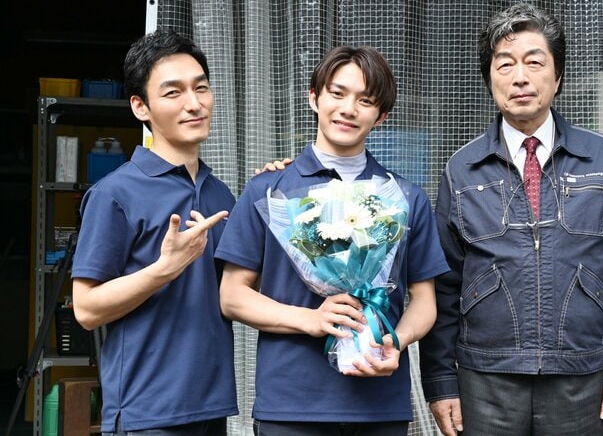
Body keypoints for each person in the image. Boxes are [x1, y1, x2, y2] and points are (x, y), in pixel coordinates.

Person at [419, 3, 603, 436]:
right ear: (490, 78)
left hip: (582, 375)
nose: (520, 77)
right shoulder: (461, 169)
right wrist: (440, 382)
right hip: (485, 380)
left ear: (557, 76)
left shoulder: (602, 159)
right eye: (505, 64)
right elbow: (442, 287)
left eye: (534, 62)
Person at [215, 45, 450, 435]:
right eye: (337, 93)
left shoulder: (405, 198)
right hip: (290, 405)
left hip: (380, 403)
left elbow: (424, 300)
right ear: (314, 97)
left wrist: (395, 340)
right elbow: (232, 296)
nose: (348, 109)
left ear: (381, 116)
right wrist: (312, 319)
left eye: (365, 100)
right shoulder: (269, 191)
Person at [71, 29, 238, 435]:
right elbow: (87, 310)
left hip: (211, 407)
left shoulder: (220, 194)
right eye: (173, 92)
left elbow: (237, 292)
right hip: (147, 413)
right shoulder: (115, 194)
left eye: (201, 88)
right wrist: (164, 269)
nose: (194, 103)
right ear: (140, 107)